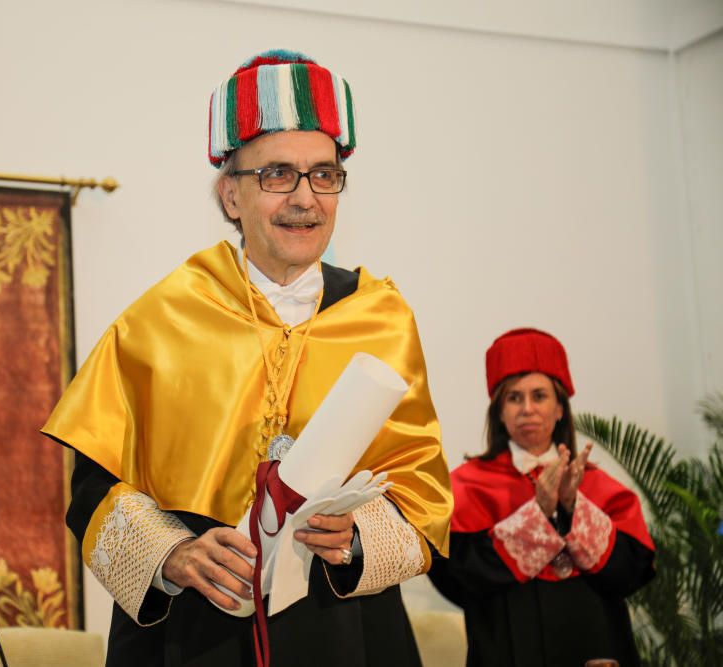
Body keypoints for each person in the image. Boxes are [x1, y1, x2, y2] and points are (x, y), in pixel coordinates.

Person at [42, 50, 452, 666]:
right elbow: (93, 486)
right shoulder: (164, 317)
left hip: (345, 628)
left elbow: (423, 493)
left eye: (324, 174)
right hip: (198, 628)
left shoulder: (382, 316)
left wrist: (358, 540)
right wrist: (171, 555)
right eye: (277, 174)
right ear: (230, 195)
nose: (305, 199)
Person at [428, 328, 656, 667]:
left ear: (560, 408)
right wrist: (538, 513)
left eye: (539, 395)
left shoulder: (597, 485)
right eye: (514, 397)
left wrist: (572, 508)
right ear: (500, 412)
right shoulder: (467, 486)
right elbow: (455, 580)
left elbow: (629, 574)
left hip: (596, 648)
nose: (527, 409)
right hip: (505, 651)